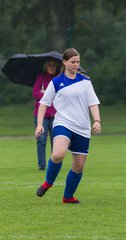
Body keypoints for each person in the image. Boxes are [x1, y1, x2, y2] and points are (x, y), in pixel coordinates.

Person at [35, 48, 101, 204]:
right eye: (72, 62)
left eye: (78, 62)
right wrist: (39, 125)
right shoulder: (56, 82)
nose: (76, 65)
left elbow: (93, 102)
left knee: (78, 166)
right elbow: (43, 104)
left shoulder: (85, 81)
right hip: (63, 123)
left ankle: (68, 197)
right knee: (58, 154)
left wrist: (97, 121)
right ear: (64, 62)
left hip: (83, 127)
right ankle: (48, 182)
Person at [33, 58, 59, 170]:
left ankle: (54, 163)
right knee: (41, 140)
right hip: (42, 115)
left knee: (56, 140)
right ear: (46, 66)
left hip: (56, 115)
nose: (52, 67)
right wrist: (49, 96)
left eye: (53, 65)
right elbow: (35, 93)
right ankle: (42, 165)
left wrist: (45, 93)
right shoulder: (41, 77)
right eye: (49, 65)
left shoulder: (59, 78)